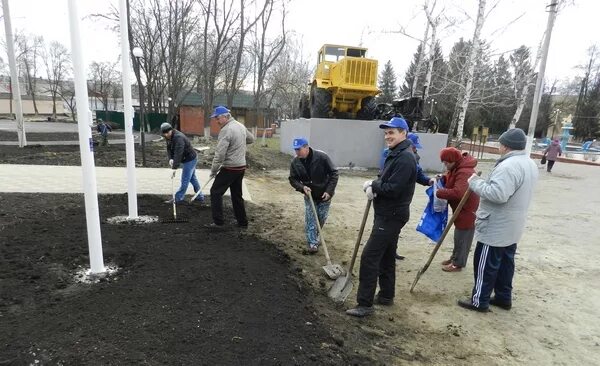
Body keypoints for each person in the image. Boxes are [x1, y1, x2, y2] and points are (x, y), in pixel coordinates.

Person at [458, 128, 538, 312]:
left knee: (485, 264)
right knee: (505, 263)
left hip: (496, 226)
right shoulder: (528, 163)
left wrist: (475, 182)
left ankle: (479, 301)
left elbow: (498, 194)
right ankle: (503, 297)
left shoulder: (508, 166)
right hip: (512, 226)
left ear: (505, 146)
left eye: (500, 143)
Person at [346, 117, 417, 318]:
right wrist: (376, 183)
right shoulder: (397, 153)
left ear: (403, 133)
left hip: (391, 215)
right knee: (386, 255)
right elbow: (386, 178)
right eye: (386, 133)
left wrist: (373, 186)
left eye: (392, 132)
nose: (388, 136)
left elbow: (393, 189)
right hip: (388, 213)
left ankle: (365, 304)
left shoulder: (405, 158)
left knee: (369, 257)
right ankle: (386, 295)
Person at [206, 106, 256, 229]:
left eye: (217, 118)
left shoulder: (226, 130)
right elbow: (251, 139)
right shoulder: (240, 125)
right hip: (241, 167)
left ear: (225, 116)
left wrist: (213, 171)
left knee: (215, 192)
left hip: (230, 167)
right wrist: (239, 143)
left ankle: (218, 222)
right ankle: (242, 222)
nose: (216, 121)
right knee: (237, 194)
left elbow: (220, 154)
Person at [289, 137, 339, 254]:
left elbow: (334, 173)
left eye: (299, 149)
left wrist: (329, 191)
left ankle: (316, 236)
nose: (297, 152)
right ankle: (312, 243)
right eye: (295, 150)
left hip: (324, 195)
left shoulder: (322, 157)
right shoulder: (295, 162)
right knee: (311, 219)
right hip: (309, 195)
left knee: (321, 218)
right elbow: (292, 179)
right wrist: (302, 187)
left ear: (306, 147)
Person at [435, 147, 480, 272]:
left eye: (447, 163)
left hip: (467, 207)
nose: (445, 165)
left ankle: (458, 263)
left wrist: (440, 192)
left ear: (454, 160)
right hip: (460, 207)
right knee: (458, 235)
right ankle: (455, 257)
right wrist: (442, 178)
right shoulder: (456, 167)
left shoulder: (464, 171)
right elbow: (451, 178)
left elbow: (459, 192)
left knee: (463, 235)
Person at [394, 133, 433, 260]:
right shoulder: (393, 154)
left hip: (404, 198)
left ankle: (391, 251)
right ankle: (386, 251)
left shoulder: (414, 157)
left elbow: (418, 173)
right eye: (414, 146)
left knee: (396, 225)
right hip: (393, 197)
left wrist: (428, 181)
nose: (416, 149)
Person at [160, 122, 204, 204]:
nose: (166, 135)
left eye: (167, 133)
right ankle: (200, 196)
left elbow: (178, 153)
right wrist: (170, 159)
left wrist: (174, 168)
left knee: (185, 179)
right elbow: (169, 148)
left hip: (190, 159)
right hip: (186, 158)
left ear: (171, 130)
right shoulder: (169, 137)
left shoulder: (178, 138)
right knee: (192, 178)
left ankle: (178, 198)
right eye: (164, 134)